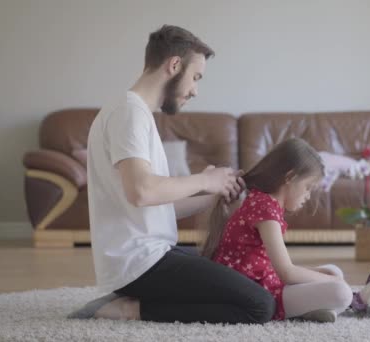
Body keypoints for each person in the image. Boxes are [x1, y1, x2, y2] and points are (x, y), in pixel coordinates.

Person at [68, 25, 275, 324]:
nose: (195, 90)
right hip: (140, 264)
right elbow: (142, 192)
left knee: (235, 274)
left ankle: (140, 298)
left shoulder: (136, 114)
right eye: (196, 77)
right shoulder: (129, 114)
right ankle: (128, 309)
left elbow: (155, 205)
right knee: (259, 306)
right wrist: (204, 180)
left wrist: (211, 196)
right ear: (174, 65)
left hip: (151, 255)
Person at [201, 138, 353, 322]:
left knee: (334, 271)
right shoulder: (265, 210)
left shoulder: (262, 201)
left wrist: (323, 275)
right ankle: (303, 310)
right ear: (290, 177)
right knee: (342, 292)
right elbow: (287, 273)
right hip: (258, 291)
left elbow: (277, 269)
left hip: (266, 280)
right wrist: (331, 282)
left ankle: (309, 309)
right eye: (307, 188)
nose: (308, 196)